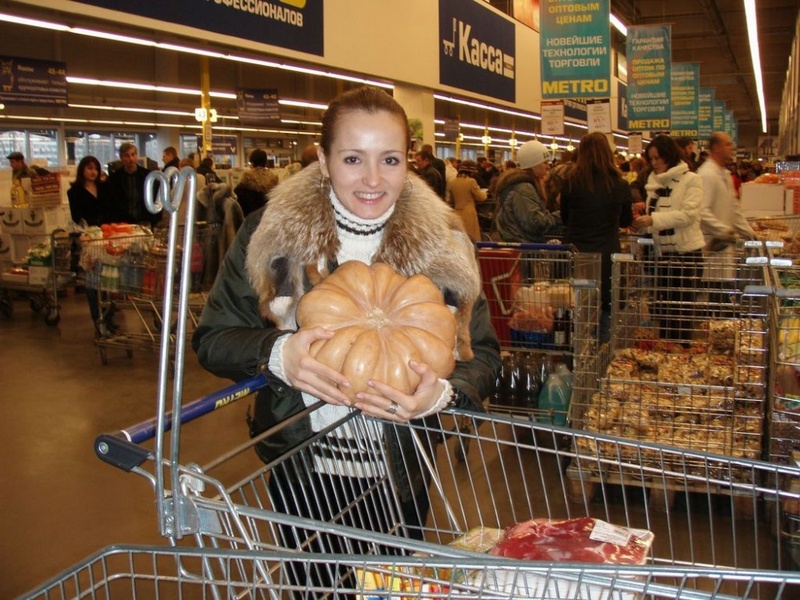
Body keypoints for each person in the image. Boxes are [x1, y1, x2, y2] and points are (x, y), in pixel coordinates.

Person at [192, 87, 500, 590]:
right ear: (323, 159)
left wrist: (443, 394)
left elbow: (482, 354)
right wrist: (278, 354)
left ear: (410, 161)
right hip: (303, 472)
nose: (373, 179)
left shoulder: (444, 246)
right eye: (353, 158)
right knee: (315, 586)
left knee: (391, 588)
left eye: (390, 159)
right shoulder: (274, 238)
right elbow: (214, 339)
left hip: (402, 472)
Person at [560, 133, 633, 342]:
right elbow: (625, 220)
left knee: (577, 304)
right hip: (607, 254)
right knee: (607, 307)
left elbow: (565, 218)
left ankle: (578, 350)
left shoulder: (570, 182)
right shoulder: (619, 184)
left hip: (578, 254)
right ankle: (603, 352)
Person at [631, 135, 705, 343]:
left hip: (686, 256)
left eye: (658, 158)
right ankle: (665, 356)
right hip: (662, 257)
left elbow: (688, 215)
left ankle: (681, 356)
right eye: (651, 159)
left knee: (681, 317)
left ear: (669, 156)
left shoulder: (692, 180)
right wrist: (642, 220)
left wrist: (652, 220)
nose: (654, 163)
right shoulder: (653, 182)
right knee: (664, 315)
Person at [698, 132, 756, 310]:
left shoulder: (724, 174)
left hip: (724, 248)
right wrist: (724, 231)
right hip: (713, 246)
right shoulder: (707, 174)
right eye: (728, 144)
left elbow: (734, 210)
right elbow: (702, 210)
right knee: (715, 296)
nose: (731, 148)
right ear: (716, 148)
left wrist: (751, 233)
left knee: (722, 294)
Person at [68, 155, 114, 337]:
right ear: (82, 170)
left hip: (107, 236)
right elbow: (77, 217)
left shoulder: (105, 188)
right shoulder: (74, 192)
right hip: (88, 240)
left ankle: (109, 317)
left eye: (95, 168)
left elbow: (111, 209)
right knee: (91, 282)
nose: (93, 171)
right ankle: (97, 319)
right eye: (89, 168)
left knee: (109, 280)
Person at [493, 139, 561, 243]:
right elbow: (535, 223)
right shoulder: (524, 188)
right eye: (545, 162)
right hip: (523, 245)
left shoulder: (518, 184)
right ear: (534, 164)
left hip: (517, 243)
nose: (548, 166)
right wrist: (560, 215)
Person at [105, 142, 160, 227]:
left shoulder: (148, 176)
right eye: (127, 156)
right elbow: (111, 204)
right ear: (121, 158)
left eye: (133, 155)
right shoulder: (114, 179)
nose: (131, 158)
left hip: (144, 221)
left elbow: (155, 199)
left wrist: (154, 220)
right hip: (122, 222)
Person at [447, 160, 488, 241]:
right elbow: (480, 197)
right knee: (471, 237)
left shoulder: (452, 182)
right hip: (469, 212)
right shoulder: (471, 181)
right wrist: (485, 193)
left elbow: (451, 200)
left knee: (459, 237)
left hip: (457, 212)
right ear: (471, 172)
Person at [234, 148, 278, 217]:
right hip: (268, 213)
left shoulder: (247, 175)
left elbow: (238, 193)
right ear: (265, 162)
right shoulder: (273, 177)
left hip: (251, 214)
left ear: (252, 161)